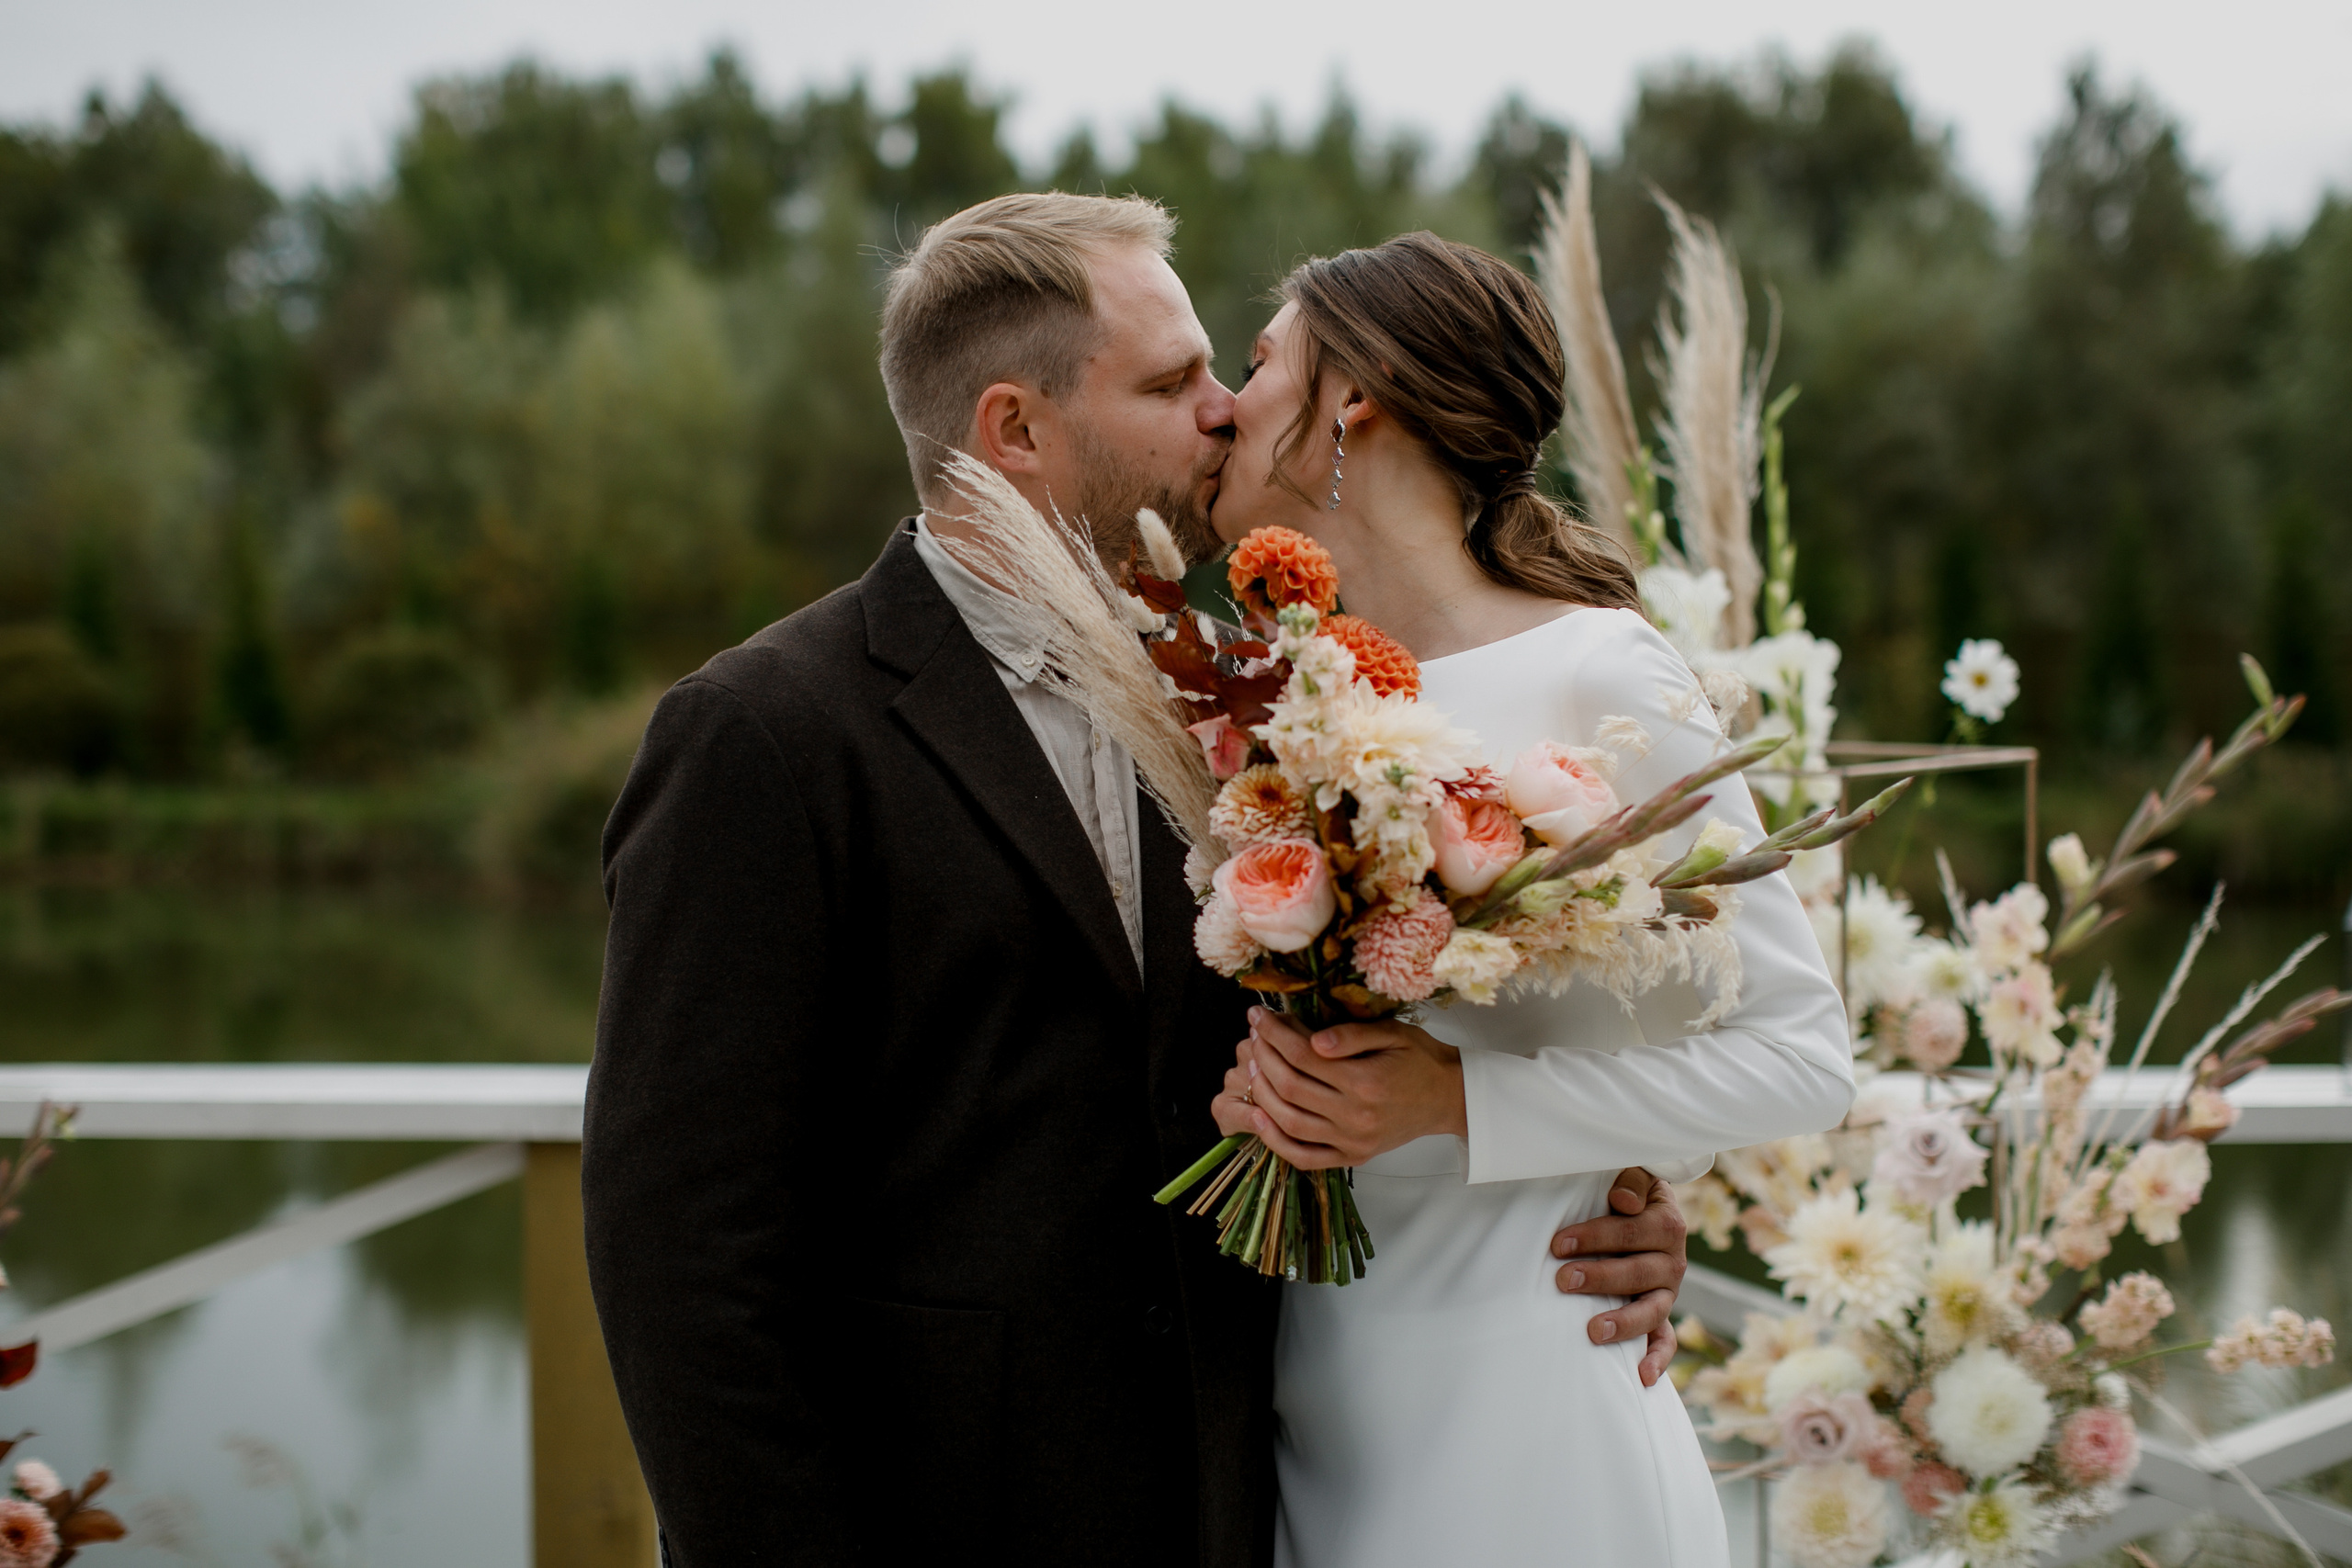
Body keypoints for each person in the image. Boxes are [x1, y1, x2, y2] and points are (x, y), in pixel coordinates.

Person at [581, 194, 1692, 1567]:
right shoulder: (764, 733)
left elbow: (1360, 1047)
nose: (1228, 411)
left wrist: (1592, 1203)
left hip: (1254, 1507)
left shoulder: (1273, 694)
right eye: (1172, 384)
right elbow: (681, 1257)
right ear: (1015, 429)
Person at [1203, 232, 1856, 1568]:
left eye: (1259, 361)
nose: (1226, 401)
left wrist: (1459, 1105)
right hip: (1317, 1407)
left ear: (1354, 399)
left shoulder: (1600, 670)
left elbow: (1804, 1059)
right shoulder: (1286, 689)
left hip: (1529, 1410)